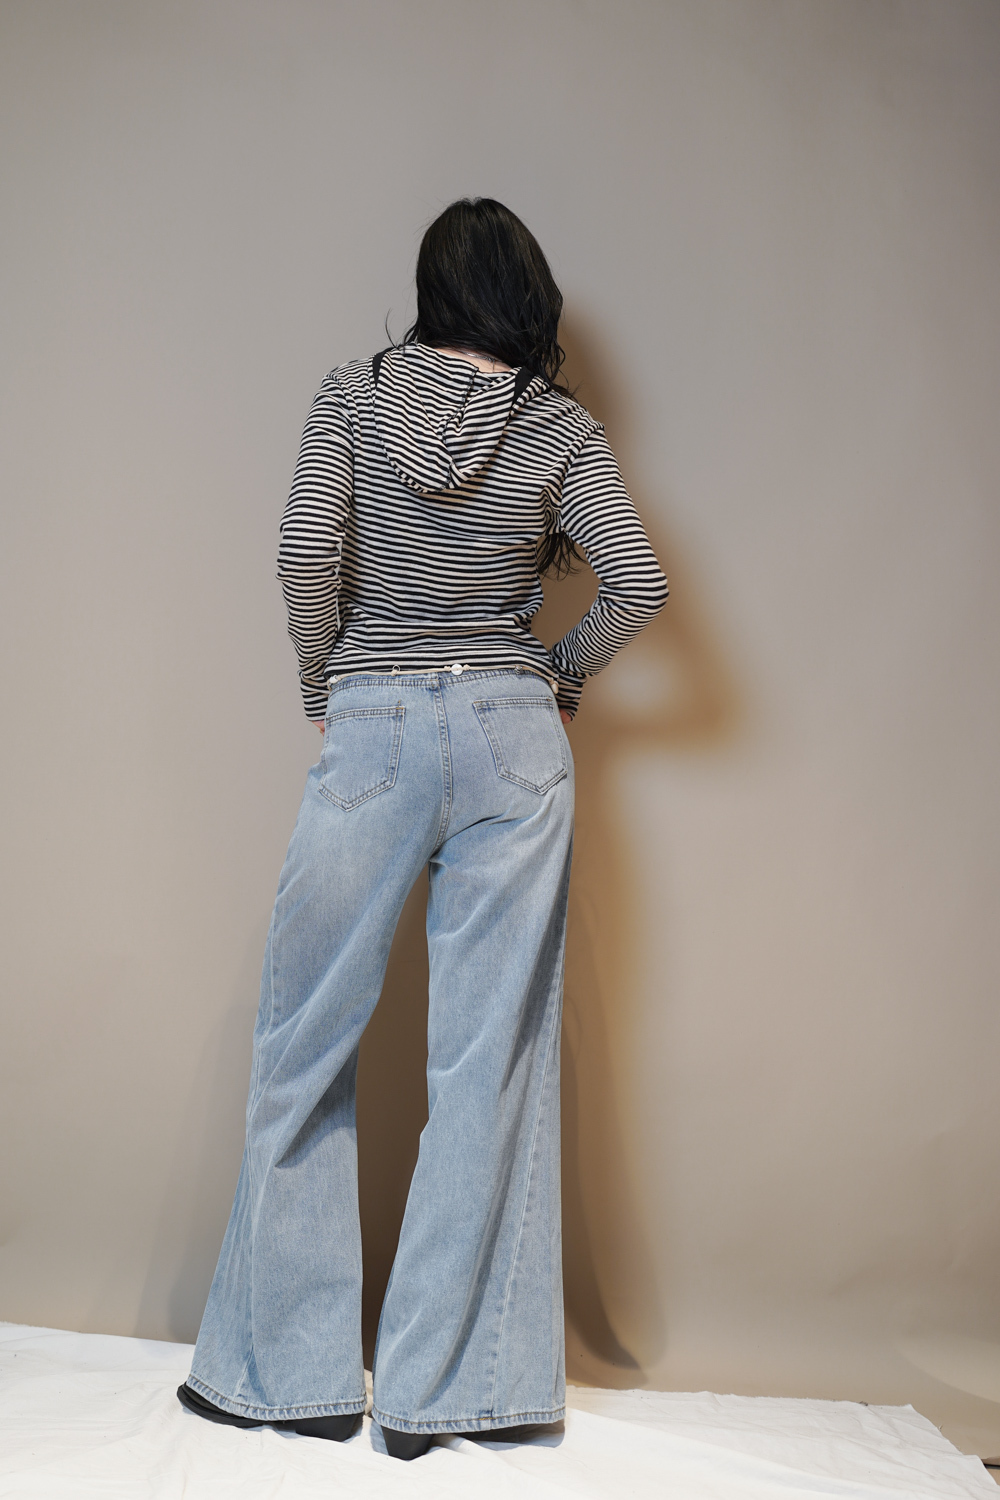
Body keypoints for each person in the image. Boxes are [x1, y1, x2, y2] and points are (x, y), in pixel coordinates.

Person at [177, 197, 668, 1460]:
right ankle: (448, 1399)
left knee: (303, 1040)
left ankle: (289, 1382)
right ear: (528, 296)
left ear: (430, 289)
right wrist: (559, 673)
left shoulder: (352, 395)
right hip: (512, 732)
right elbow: (638, 583)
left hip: (377, 721)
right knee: (485, 1066)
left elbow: (303, 555)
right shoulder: (559, 427)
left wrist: (324, 682)